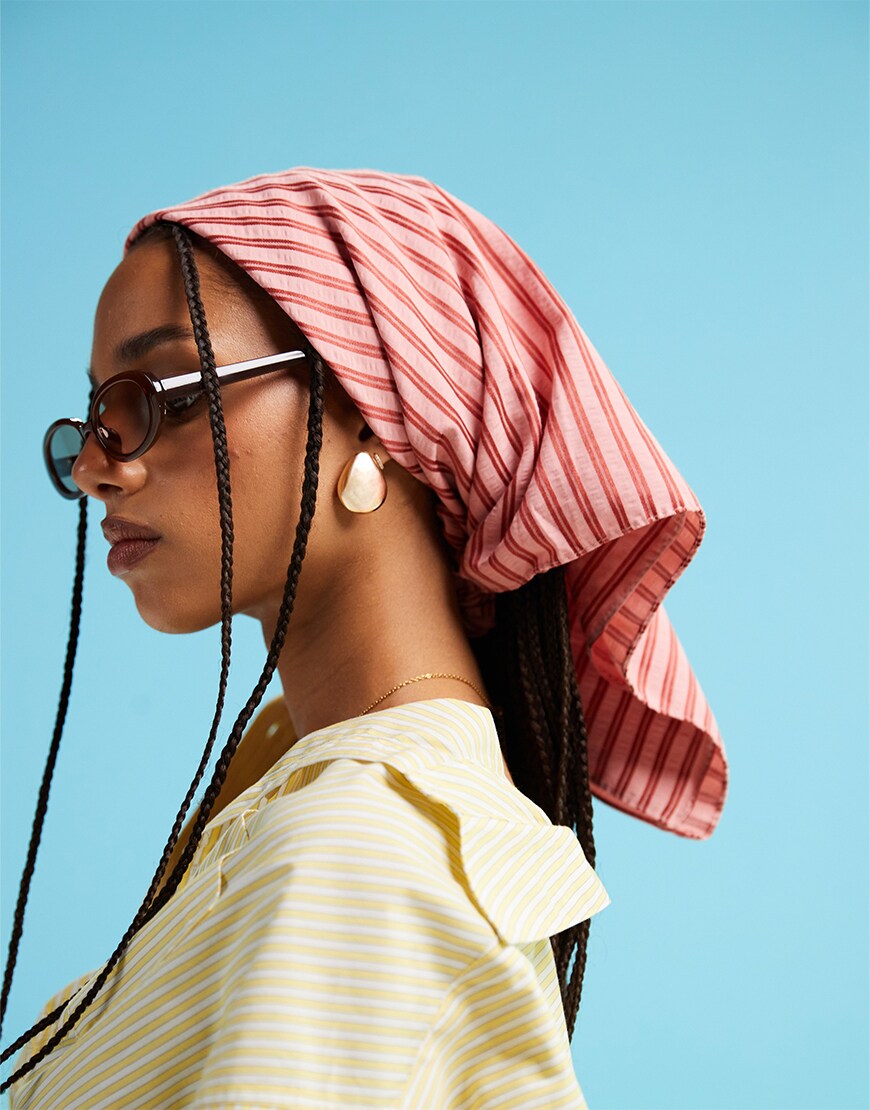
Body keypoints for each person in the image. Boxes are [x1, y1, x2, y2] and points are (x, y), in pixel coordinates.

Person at [1, 167, 727, 1108]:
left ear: (377, 413)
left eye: (162, 391)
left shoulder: (355, 849)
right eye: (96, 410)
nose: (97, 465)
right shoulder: (305, 802)